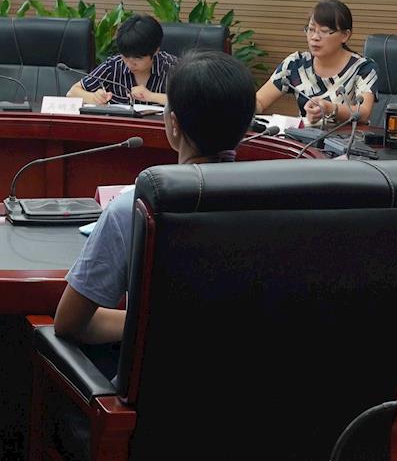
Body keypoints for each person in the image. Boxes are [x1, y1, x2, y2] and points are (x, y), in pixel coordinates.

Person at [54, 51, 257, 351]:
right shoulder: (278, 202)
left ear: (173, 124)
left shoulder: (136, 208)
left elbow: (70, 323)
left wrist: (166, 322)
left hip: (156, 377)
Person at [255, 0, 378, 124]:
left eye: (324, 31)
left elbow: (363, 112)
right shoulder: (295, 64)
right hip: (304, 135)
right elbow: (259, 102)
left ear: (345, 35)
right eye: (311, 29)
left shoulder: (363, 68)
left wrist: (331, 109)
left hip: (347, 135)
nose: (314, 37)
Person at [71, 13, 176, 106]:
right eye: (125, 57)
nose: (130, 64)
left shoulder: (172, 67)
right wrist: (94, 98)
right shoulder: (113, 66)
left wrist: (152, 96)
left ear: (156, 50)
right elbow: (72, 92)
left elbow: (186, 103)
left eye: (137, 58)